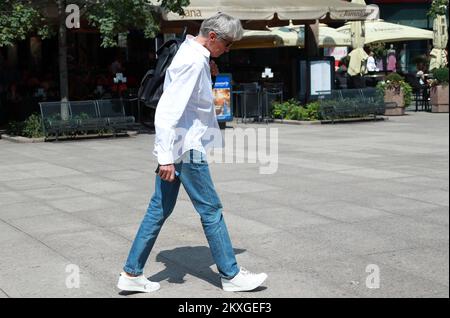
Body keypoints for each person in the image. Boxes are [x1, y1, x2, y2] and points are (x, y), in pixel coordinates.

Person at [117, 13, 267, 293]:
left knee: (158, 209)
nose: (228, 49)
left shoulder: (191, 52)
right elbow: (167, 110)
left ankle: (131, 273)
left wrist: (208, 77)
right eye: (228, 43)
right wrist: (165, 157)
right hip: (186, 148)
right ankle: (231, 275)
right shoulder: (193, 60)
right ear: (212, 37)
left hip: (179, 146)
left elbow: (190, 104)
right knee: (211, 210)